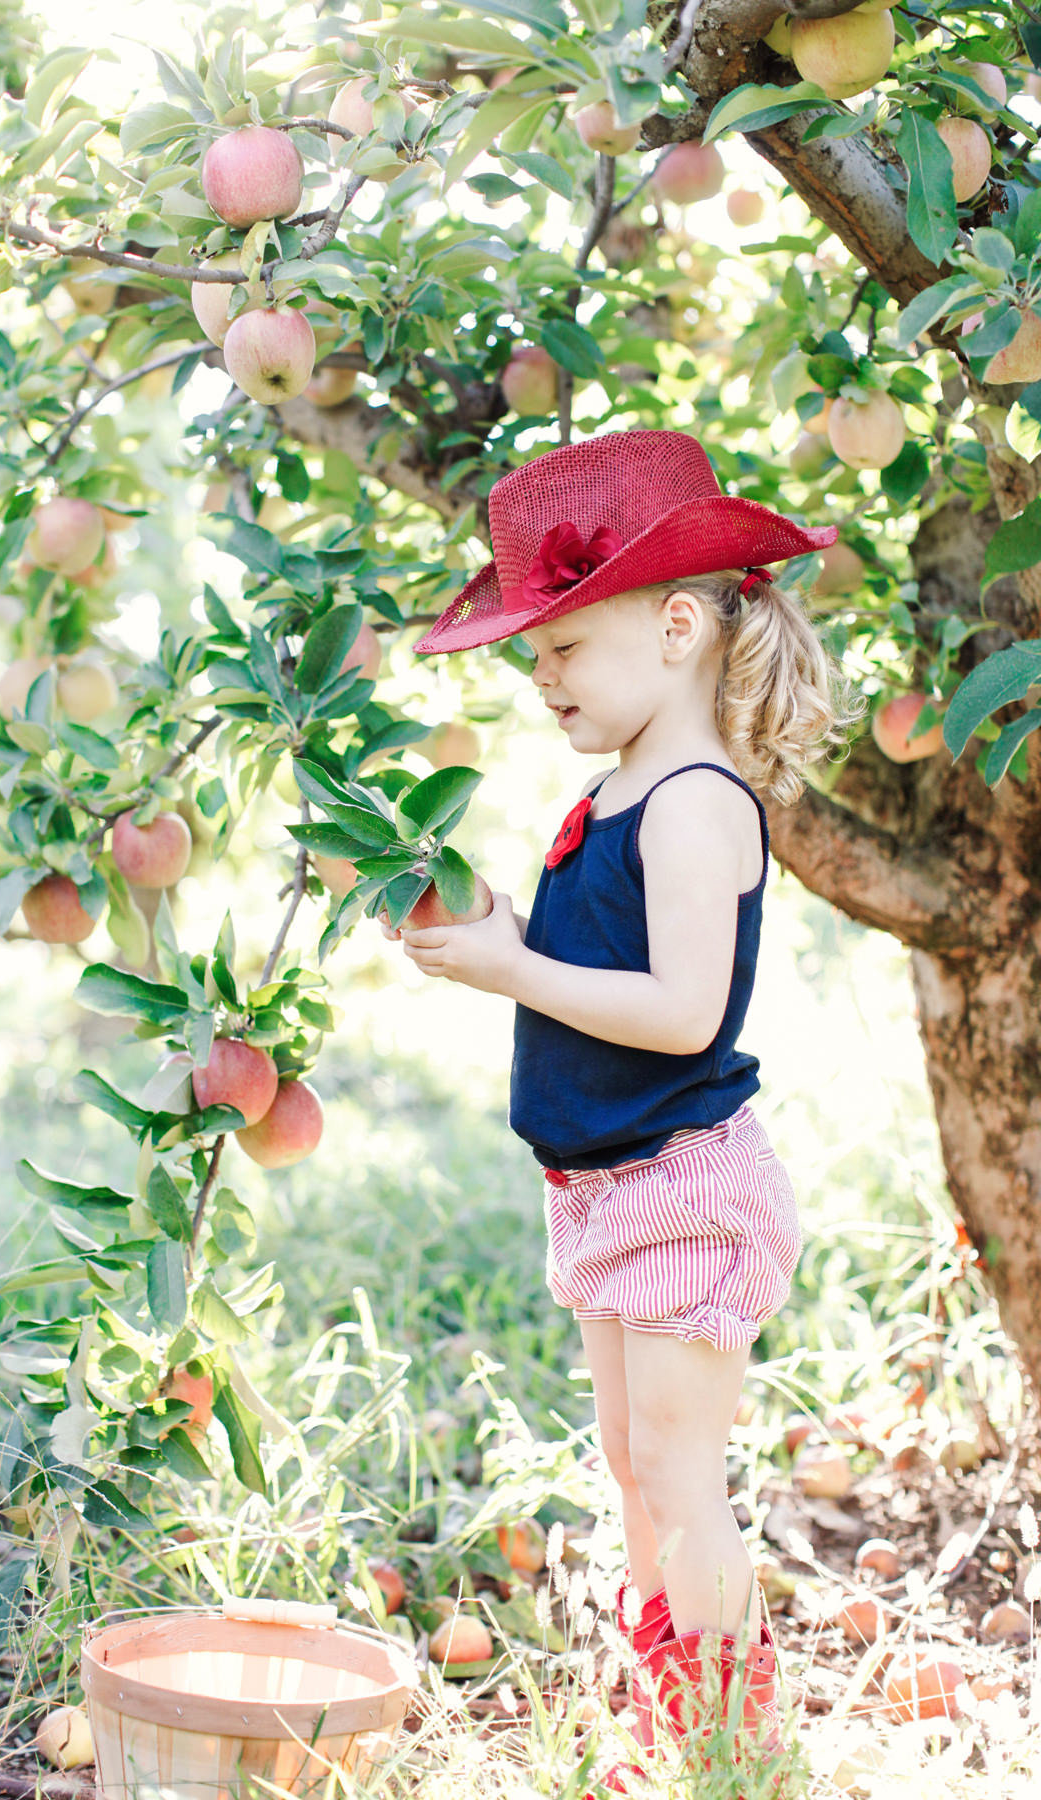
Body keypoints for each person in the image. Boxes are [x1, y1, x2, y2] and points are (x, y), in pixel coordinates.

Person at [383, 429, 862, 1789]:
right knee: (632, 1464)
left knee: (677, 1465)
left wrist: (513, 969)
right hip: (606, 1186)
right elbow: (587, 962)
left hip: (687, 1188)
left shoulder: (701, 804)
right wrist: (480, 917)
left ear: (672, 625)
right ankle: (661, 1710)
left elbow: (685, 1014)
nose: (541, 682)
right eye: (531, 660)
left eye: (563, 650)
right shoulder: (612, 794)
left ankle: (724, 1734)